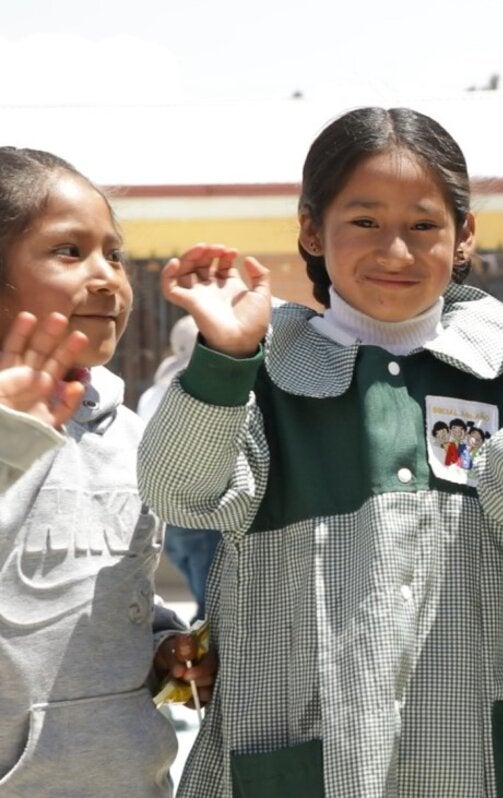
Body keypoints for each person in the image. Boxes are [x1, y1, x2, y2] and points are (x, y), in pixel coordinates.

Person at [137, 107, 503, 797]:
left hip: (473, 761)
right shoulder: (266, 373)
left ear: (464, 237)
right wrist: (224, 360)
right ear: (310, 228)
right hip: (298, 757)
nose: (396, 252)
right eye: (365, 221)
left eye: (424, 225)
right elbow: (179, 492)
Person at [0, 147, 212, 798]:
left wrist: (160, 645)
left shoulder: (126, 434)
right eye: (70, 251)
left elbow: (106, 595)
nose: (107, 279)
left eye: (113, 255)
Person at [138, 315, 222, 621]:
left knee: (203, 593)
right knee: (213, 606)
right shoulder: (200, 390)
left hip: (165, 514)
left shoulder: (152, 394)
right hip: (203, 512)